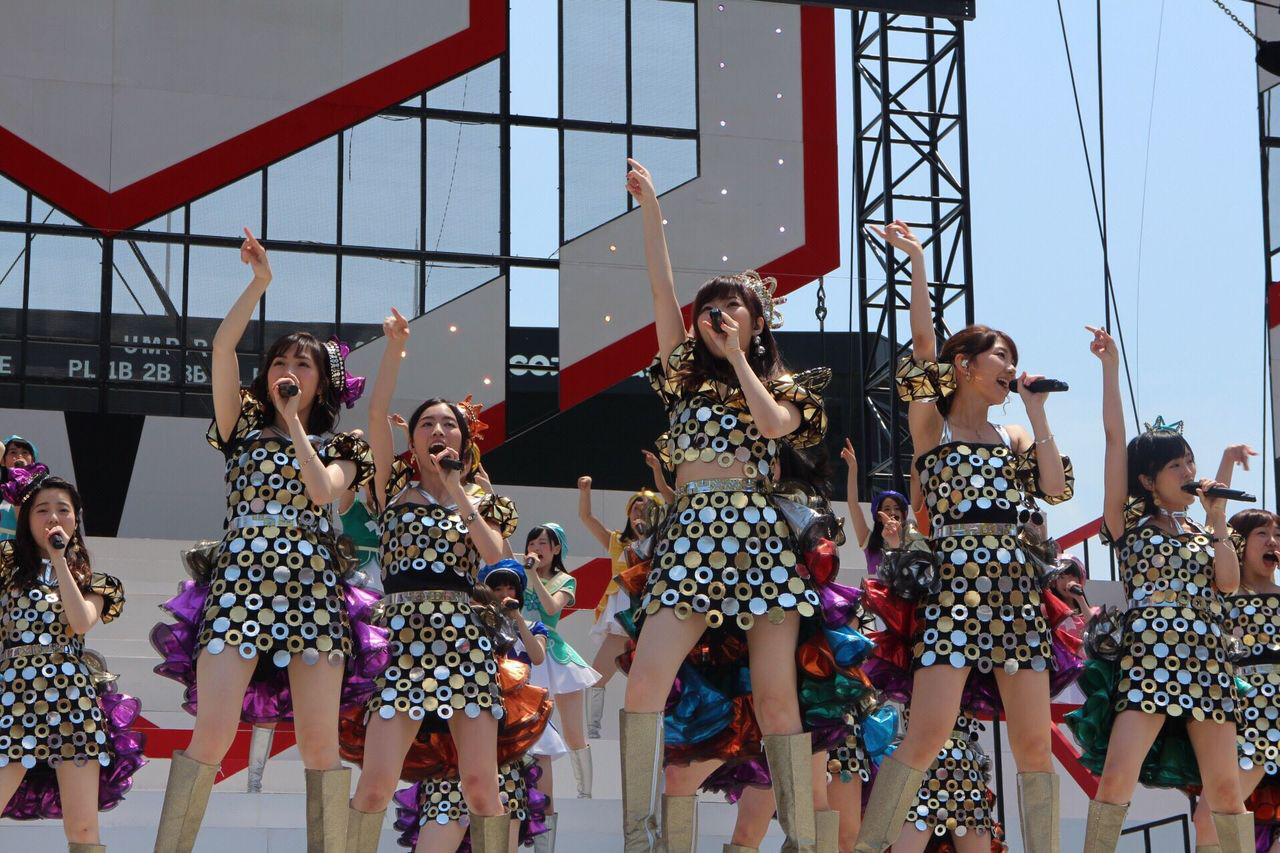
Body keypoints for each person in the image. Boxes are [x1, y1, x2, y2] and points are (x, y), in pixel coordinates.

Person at [619, 159, 832, 851]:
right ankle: (640, 837)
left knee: (776, 700)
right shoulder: (681, 376)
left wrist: (743, 359)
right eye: (709, 308)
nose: (717, 315)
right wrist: (652, 210)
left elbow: (773, 426)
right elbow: (660, 287)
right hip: (689, 536)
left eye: (732, 306)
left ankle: (802, 841)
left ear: (758, 320)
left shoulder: (787, 388)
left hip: (760, 538)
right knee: (645, 685)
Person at [150, 229, 381, 853]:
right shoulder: (241, 428)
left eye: (302, 365)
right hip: (239, 584)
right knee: (212, 733)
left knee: (319, 745)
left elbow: (322, 490)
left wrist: (296, 427)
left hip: (314, 593)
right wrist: (259, 283)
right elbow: (222, 347)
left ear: (321, 384)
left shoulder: (342, 447)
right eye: (280, 362)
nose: (287, 371)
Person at [855, 220, 1072, 853]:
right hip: (952, 586)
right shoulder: (934, 426)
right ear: (967, 365)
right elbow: (923, 343)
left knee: (1033, 744)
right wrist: (919, 261)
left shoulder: (1016, 434)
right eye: (1000, 356)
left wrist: (1036, 411)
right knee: (926, 735)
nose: (1011, 367)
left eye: (1013, 357)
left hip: (1015, 590)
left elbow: (1055, 490)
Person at [341, 306, 522, 853]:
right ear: (413, 439)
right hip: (399, 638)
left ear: (464, 441)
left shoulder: (482, 499)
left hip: (463, 637)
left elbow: (496, 558)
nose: (438, 430)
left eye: (449, 425)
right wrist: (395, 348)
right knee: (375, 785)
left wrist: (459, 490)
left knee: (481, 787)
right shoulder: (390, 491)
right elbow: (377, 413)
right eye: (427, 423)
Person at [1067, 325, 1251, 852]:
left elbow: (1229, 583)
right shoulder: (1129, 523)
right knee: (1116, 780)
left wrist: (1218, 518)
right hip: (1150, 652)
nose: (1189, 471)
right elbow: (1113, 441)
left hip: (1208, 656)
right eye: (1176, 465)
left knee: (1225, 790)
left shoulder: (1204, 528)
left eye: (1190, 461)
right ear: (1148, 480)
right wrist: (1110, 369)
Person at [0, 471, 145, 853]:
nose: (52, 517)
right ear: (26, 519)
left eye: (62, 509)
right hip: (12, 695)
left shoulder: (96, 582)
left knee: (82, 828)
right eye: (42, 509)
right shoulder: (7, 566)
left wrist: (60, 561)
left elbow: (80, 622)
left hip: (72, 700)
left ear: (75, 519)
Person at [390, 560, 554, 852]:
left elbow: (537, 657)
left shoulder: (505, 671)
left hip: (500, 780)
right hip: (446, 783)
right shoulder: (429, 666)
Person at [580, 458, 672, 741]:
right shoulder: (617, 542)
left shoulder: (665, 542)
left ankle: (662, 734)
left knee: (658, 682)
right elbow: (587, 518)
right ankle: (593, 733)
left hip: (650, 619)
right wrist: (585, 491)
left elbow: (674, 501)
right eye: (635, 510)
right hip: (622, 619)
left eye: (646, 510)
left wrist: (658, 472)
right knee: (596, 676)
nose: (639, 515)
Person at [522, 523, 601, 800]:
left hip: (555, 655)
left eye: (543, 543)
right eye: (532, 543)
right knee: (526, 727)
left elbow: (551, 608)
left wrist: (532, 575)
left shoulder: (565, 580)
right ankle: (528, 791)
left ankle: (585, 794)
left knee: (572, 731)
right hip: (523, 651)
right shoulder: (519, 574)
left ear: (556, 549)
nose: (536, 548)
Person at [840, 439, 910, 576]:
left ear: (904, 514)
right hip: (876, 590)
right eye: (887, 509)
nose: (892, 512)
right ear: (878, 516)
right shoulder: (870, 542)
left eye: (897, 508)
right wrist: (853, 468)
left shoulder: (914, 542)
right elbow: (853, 503)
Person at [0, 436, 41, 540]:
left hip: (25, 546)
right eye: (13, 452)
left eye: (25, 452)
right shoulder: (2, 489)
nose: (19, 456)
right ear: (3, 461)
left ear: (33, 461)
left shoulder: (42, 489)